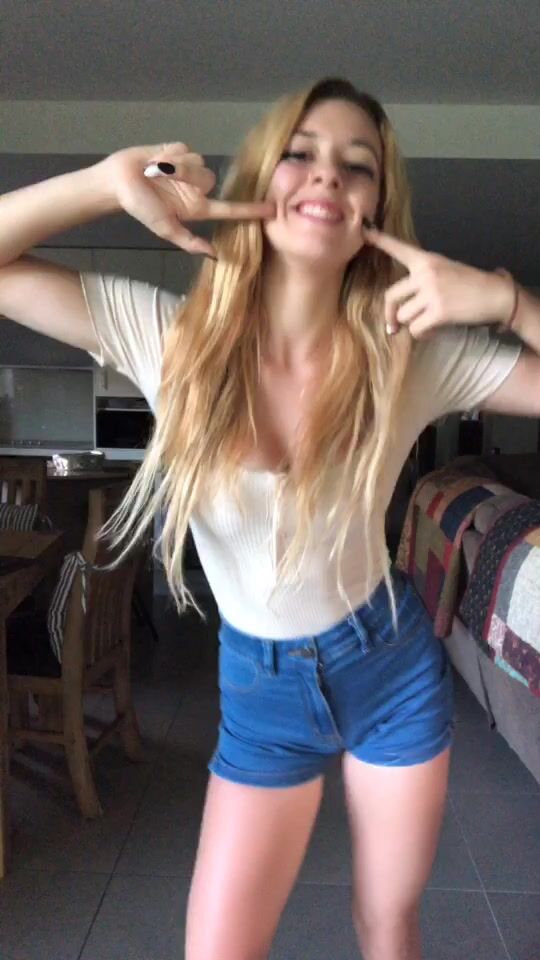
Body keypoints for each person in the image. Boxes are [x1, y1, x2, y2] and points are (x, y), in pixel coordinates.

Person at [1, 77, 539, 960]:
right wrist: (104, 183)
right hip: (261, 692)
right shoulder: (167, 336)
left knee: (388, 924)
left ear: (375, 211)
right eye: (301, 153)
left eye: (357, 166)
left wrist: (508, 301)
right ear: (260, 181)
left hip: (390, 668)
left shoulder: (410, 352)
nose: (327, 175)